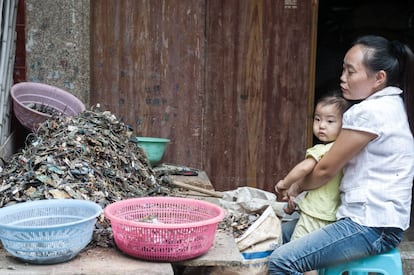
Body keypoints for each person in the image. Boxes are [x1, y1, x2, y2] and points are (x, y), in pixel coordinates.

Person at [269, 34, 414, 274]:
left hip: (369, 227)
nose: (342, 78)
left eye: (350, 72)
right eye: (343, 70)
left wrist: (295, 187)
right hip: (381, 225)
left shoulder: (369, 112)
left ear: (379, 78)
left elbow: (326, 169)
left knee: (282, 261)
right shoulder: (392, 104)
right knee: (281, 232)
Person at [278, 93, 349, 275]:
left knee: (302, 259)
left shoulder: (323, 150)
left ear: (345, 125)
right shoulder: (343, 151)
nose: (322, 125)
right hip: (331, 215)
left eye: (330, 121)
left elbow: (303, 168)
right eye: (317, 119)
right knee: (314, 259)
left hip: (315, 215)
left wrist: (285, 183)